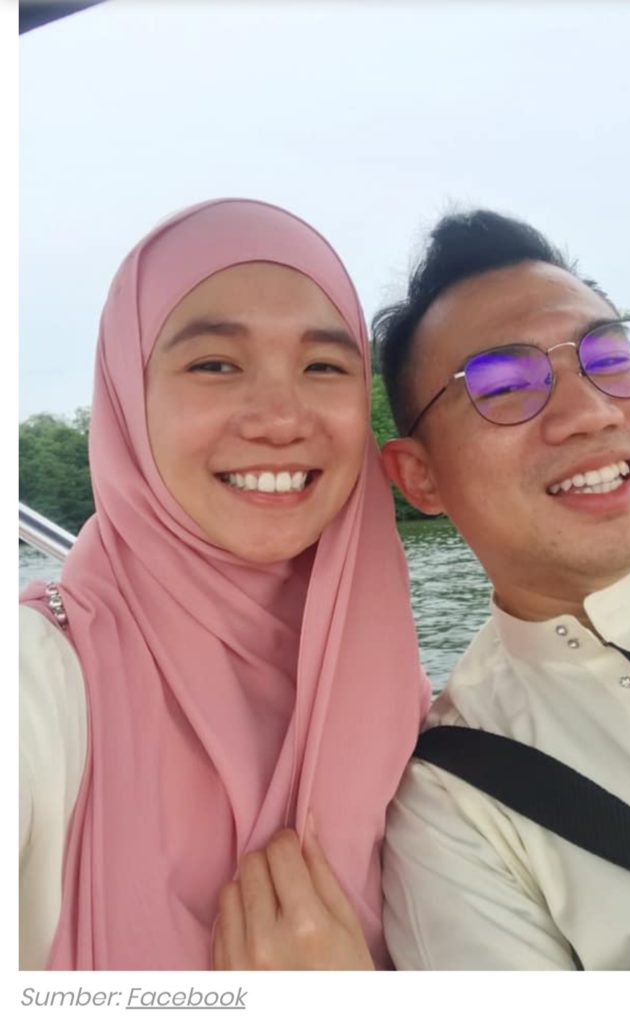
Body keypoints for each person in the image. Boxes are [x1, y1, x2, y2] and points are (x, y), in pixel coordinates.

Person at [19, 198, 429, 971]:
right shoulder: (36, 687)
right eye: (214, 364)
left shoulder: (398, 690)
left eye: (323, 366)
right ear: (128, 398)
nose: (278, 418)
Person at [374, 209, 630, 970]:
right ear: (419, 476)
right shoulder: (452, 802)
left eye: (610, 358)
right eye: (504, 384)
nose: (589, 412)